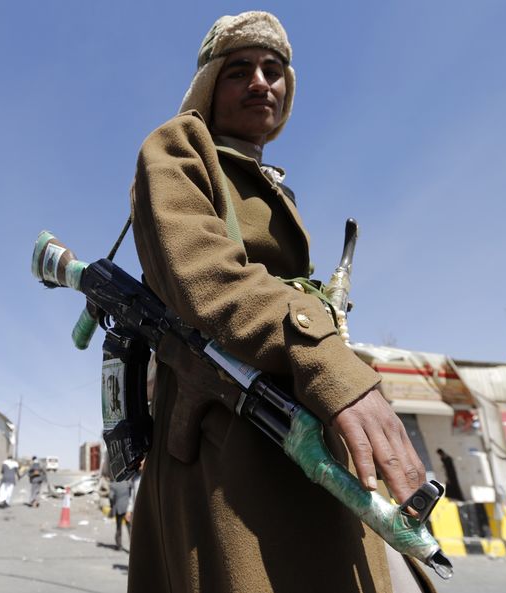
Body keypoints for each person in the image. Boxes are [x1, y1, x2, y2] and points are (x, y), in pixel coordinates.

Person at [127, 11, 426, 593]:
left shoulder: (267, 180)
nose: (262, 82)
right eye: (240, 70)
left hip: (295, 424)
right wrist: (335, 366)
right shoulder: (180, 144)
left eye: (274, 69)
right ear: (210, 84)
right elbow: (208, 278)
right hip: (228, 435)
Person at [109, 478, 133, 551]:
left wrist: (112, 505)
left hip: (118, 509)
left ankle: (119, 546)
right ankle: (133, 546)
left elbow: (111, 497)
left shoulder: (113, 484)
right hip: (127, 508)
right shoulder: (127, 483)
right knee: (129, 528)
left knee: (119, 527)